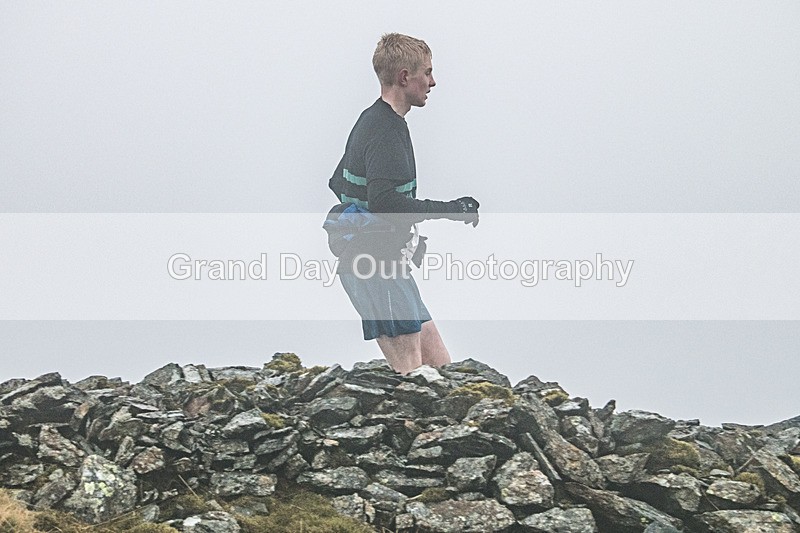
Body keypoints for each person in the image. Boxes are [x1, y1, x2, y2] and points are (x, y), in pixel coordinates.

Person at [328, 33, 479, 375]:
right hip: (373, 266)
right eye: (427, 72)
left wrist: (394, 233)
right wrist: (451, 210)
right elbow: (385, 203)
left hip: (386, 262)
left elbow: (339, 182)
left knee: (441, 365)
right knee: (414, 378)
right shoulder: (384, 129)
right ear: (404, 77)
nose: (433, 81)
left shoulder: (378, 121)